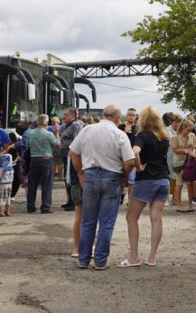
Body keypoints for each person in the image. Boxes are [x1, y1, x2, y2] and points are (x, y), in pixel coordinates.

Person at [70, 105, 136, 270]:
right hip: (112, 177)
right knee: (106, 222)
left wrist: (80, 173)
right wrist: (124, 176)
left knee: (88, 221)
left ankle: (83, 259)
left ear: (104, 115)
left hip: (90, 175)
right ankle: (100, 260)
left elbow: (73, 153)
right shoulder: (120, 134)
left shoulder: (87, 130)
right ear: (116, 118)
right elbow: (129, 161)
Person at [119, 107, 170, 268]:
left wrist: (138, 165)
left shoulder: (142, 136)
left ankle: (134, 257)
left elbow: (135, 151)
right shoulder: (164, 137)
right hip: (163, 180)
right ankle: (152, 257)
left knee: (131, 218)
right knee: (156, 218)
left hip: (146, 180)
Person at [26, 114, 60, 214]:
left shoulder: (30, 133)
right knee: (47, 184)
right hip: (46, 159)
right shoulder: (48, 134)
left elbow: (28, 145)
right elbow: (58, 146)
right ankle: (45, 207)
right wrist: (57, 133)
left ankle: (30, 207)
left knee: (32, 184)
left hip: (34, 159)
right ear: (46, 123)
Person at [60, 108, 84, 212]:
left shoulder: (76, 125)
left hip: (72, 156)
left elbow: (77, 140)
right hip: (65, 156)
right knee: (67, 179)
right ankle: (69, 200)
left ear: (72, 116)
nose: (63, 116)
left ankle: (76, 202)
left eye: (65, 115)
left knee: (73, 179)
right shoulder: (65, 125)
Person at [170, 119, 196, 212]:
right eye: (188, 130)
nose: (189, 132)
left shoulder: (192, 136)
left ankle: (190, 204)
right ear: (183, 127)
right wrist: (183, 151)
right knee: (179, 183)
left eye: (191, 130)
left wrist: (193, 154)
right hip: (179, 162)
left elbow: (194, 148)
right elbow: (174, 150)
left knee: (190, 182)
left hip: (189, 162)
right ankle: (178, 204)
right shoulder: (175, 137)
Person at [119, 108, 139, 204]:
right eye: (129, 115)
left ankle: (130, 200)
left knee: (132, 180)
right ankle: (120, 195)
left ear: (136, 117)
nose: (131, 117)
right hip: (121, 155)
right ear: (126, 116)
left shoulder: (138, 128)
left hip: (132, 155)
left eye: (133, 115)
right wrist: (126, 133)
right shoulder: (121, 126)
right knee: (121, 177)